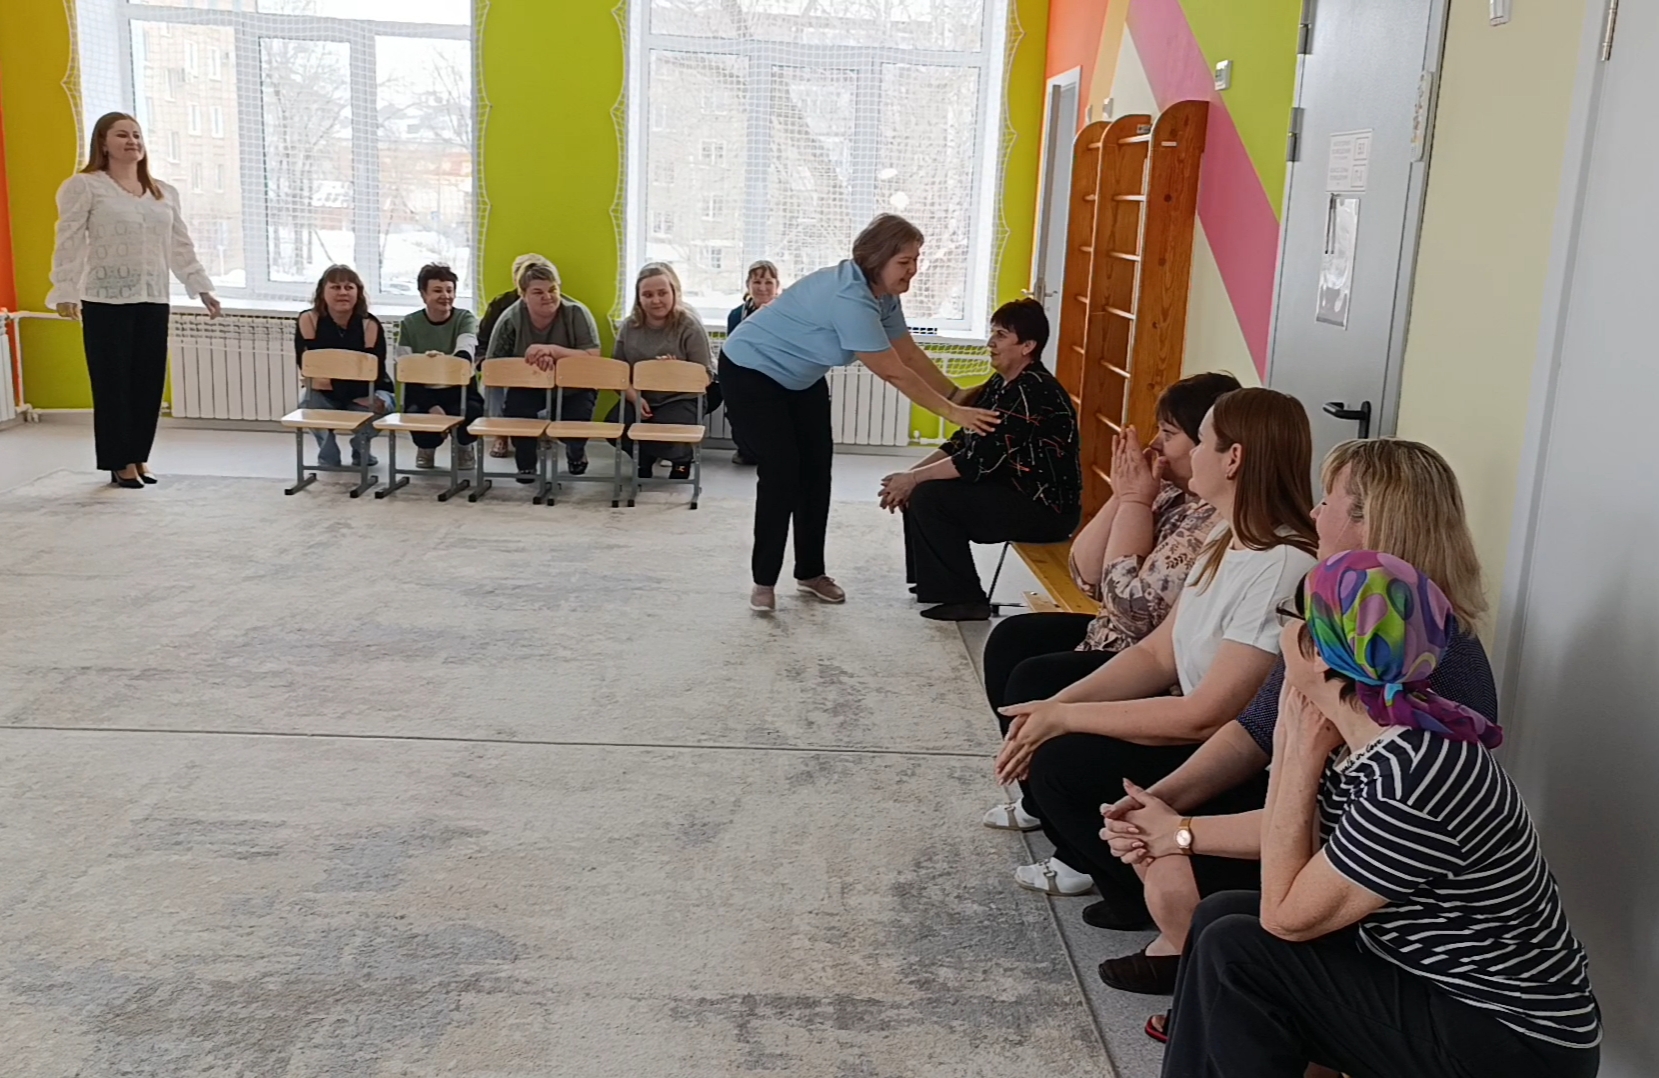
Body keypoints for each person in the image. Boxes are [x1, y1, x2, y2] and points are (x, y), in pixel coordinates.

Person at [1159, 550, 1600, 1078]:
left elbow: (1285, 918)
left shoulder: (1415, 775)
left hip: (1514, 1039)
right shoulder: (1372, 739)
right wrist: (1290, 749)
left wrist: (1295, 759)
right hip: (1436, 986)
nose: (1282, 633)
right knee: (1221, 915)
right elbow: (1296, 852)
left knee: (1239, 952)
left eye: (1289, 616)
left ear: (1316, 651)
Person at [1099, 438, 1498, 999]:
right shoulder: (1352, 621)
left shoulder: (1423, 662)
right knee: (1157, 841)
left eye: (1327, 500)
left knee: (1219, 914)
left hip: (1378, 896)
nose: (1313, 512)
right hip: (1318, 836)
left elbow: (1330, 843)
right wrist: (1158, 804)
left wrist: (1179, 833)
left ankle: (1212, 982)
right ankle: (1200, 979)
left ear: (1369, 523)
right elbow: (1257, 731)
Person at [995, 388, 1317, 904]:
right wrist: (1053, 708)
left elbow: (1206, 717)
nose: (1182, 453)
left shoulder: (1282, 564)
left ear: (1233, 458)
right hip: (1196, 728)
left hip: (1229, 761)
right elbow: (1155, 654)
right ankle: (1117, 871)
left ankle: (1137, 890)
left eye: (1201, 441)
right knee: (1042, 696)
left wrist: (1066, 718)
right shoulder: (1227, 534)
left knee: (1064, 761)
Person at [979, 371, 1240, 830]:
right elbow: (1084, 573)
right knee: (1013, 639)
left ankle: (1065, 829)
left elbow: (1132, 612)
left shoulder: (1214, 518)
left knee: (1033, 677)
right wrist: (1124, 496)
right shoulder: (1171, 491)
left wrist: (1136, 502)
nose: (1155, 445)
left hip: (1146, 661)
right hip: (1116, 639)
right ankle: (1036, 796)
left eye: (1169, 434)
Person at [719, 214, 1000, 614]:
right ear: (877, 259)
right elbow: (892, 371)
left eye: (916, 260)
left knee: (817, 472)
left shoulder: (884, 297)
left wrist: (955, 394)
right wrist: (953, 413)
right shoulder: (850, 298)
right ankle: (764, 581)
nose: (913, 270)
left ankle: (810, 573)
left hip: (801, 377)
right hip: (750, 370)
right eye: (905, 261)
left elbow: (907, 352)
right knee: (782, 471)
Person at [47, 111, 222, 488]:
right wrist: (65, 290)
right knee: (112, 383)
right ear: (103, 142)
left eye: (137, 135)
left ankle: (139, 455)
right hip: (105, 300)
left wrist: (201, 286)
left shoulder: (163, 192)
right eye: (122, 135)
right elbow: (69, 241)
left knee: (148, 382)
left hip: (153, 298)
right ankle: (118, 461)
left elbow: (179, 245)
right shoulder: (85, 186)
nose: (132, 141)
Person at [877, 298, 1080, 621]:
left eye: (1001, 335)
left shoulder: (1033, 392)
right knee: (922, 486)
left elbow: (975, 461)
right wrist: (910, 475)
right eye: (992, 333)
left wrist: (913, 480)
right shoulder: (1002, 383)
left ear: (1027, 346)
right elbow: (963, 440)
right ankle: (935, 586)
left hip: (1045, 509)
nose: (990, 343)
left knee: (930, 495)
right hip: (1012, 491)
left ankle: (965, 599)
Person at [486, 260, 602, 482]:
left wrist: (553, 352)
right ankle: (526, 465)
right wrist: (535, 364)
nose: (547, 297)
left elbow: (593, 357)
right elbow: (494, 367)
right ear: (523, 295)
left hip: (574, 385)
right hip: (528, 384)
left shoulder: (577, 313)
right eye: (538, 292)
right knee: (518, 408)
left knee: (576, 420)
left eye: (552, 290)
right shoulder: (510, 319)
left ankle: (576, 452)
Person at [604, 262, 713, 480]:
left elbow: (706, 375)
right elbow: (618, 372)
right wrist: (635, 398)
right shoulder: (629, 326)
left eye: (662, 293)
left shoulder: (689, 326)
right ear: (639, 298)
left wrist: (676, 372)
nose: (656, 300)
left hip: (680, 398)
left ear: (674, 293)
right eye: (648, 295)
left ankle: (682, 458)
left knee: (662, 434)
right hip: (641, 396)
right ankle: (643, 458)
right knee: (614, 427)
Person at [293, 265, 392, 467]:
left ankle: (360, 448)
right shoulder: (308, 320)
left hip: (367, 391)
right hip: (334, 393)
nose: (343, 293)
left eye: (349, 287)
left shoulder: (369, 324)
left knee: (385, 405)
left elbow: (374, 373)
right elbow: (308, 367)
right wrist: (341, 384)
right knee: (307, 402)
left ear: (358, 292)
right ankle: (328, 455)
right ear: (322, 292)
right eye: (336, 287)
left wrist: (330, 383)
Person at [395, 263, 482, 471]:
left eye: (449, 290)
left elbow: (464, 355)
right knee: (418, 415)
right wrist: (432, 406)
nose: (445, 296)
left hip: (459, 390)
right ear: (423, 295)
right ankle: (426, 447)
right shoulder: (409, 324)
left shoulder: (465, 318)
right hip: (422, 391)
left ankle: (463, 446)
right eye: (437, 290)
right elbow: (406, 370)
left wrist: (434, 365)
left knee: (472, 411)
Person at [477, 253, 554, 460]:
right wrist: (489, 365)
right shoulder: (501, 305)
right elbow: (482, 344)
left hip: (543, 368)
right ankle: (501, 433)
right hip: (508, 369)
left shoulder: (554, 304)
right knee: (493, 381)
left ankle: (540, 430)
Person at [719, 259, 780, 466]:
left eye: (768, 282)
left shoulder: (786, 312)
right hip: (743, 375)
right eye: (757, 282)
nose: (762, 288)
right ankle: (747, 449)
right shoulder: (736, 315)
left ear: (777, 286)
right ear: (748, 285)